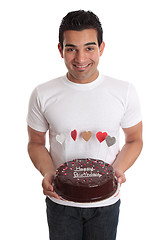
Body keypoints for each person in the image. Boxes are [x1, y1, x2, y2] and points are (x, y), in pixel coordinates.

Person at [27, 10, 143, 240]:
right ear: (61, 50)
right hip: (60, 202)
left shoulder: (124, 92)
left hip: (106, 204)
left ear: (101, 48)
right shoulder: (42, 93)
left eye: (89, 48)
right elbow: (36, 142)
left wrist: (118, 170)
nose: (80, 59)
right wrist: (48, 171)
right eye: (71, 49)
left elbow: (134, 139)